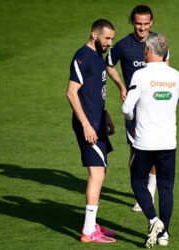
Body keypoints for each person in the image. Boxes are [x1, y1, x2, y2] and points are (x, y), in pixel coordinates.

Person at [122, 33, 179, 248]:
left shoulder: (140, 75)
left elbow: (127, 108)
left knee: (137, 182)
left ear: (148, 51)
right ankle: (165, 235)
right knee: (166, 188)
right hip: (168, 143)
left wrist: (131, 118)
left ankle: (154, 221)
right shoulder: (176, 75)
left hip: (144, 143)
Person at [106, 5, 170, 212]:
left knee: (155, 148)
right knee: (136, 151)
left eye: (146, 24)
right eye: (138, 23)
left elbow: (166, 68)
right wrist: (122, 86)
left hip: (156, 107)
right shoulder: (123, 45)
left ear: (151, 22)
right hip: (134, 108)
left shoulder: (159, 42)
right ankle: (142, 189)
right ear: (132, 22)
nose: (142, 28)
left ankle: (149, 191)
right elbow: (108, 65)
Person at [66, 19, 117, 243]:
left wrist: (105, 114)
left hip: (98, 124)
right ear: (94, 35)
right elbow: (71, 93)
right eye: (107, 38)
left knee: (101, 173)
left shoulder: (98, 56)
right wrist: (86, 125)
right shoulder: (83, 57)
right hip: (88, 127)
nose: (110, 43)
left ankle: (92, 223)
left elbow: (96, 91)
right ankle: (88, 232)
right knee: (96, 174)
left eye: (112, 39)